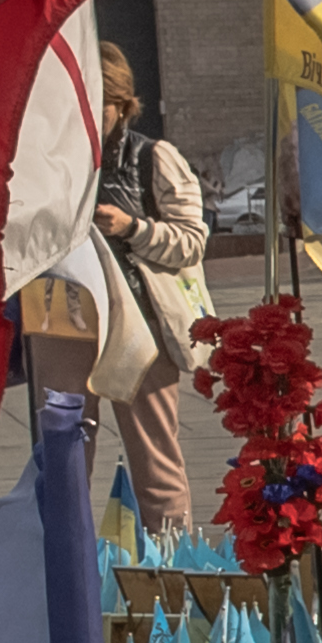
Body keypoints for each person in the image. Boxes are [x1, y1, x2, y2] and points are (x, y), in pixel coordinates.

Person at [91, 47, 212, 534]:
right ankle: (66, 576)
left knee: (156, 464)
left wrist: (132, 228)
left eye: (96, 103)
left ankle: (172, 569)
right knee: (59, 460)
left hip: (140, 328)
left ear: (121, 104)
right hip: (70, 325)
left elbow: (192, 242)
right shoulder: (57, 165)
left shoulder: (152, 157)